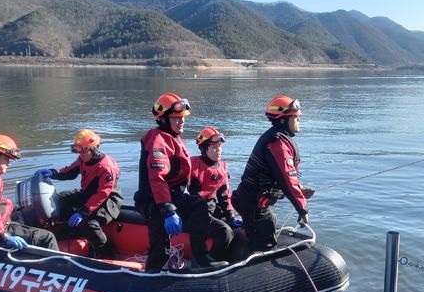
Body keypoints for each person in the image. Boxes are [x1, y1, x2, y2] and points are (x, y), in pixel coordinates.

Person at [134, 93, 229, 271]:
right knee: (160, 250)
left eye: (182, 118)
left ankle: (201, 258)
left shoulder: (174, 138)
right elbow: (158, 177)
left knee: (198, 205)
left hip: (170, 196)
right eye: (176, 118)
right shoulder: (157, 138)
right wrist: (168, 209)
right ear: (163, 119)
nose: (182, 122)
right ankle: (150, 280)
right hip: (155, 200)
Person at [232, 95, 314, 251]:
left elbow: (284, 176)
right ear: (283, 120)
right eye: (296, 117)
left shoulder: (281, 140)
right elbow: (286, 179)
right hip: (252, 203)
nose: (299, 120)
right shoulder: (277, 144)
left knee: (270, 220)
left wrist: (300, 190)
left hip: (254, 201)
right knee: (265, 242)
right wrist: (302, 209)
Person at [34, 129, 123, 258]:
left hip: (109, 200)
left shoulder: (106, 167)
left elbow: (103, 193)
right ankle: (69, 230)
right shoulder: (83, 158)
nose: (80, 154)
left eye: (83, 151)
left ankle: (106, 252)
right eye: (78, 150)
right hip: (89, 193)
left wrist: (83, 212)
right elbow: (70, 172)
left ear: (94, 149)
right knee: (59, 200)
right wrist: (53, 172)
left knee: (90, 223)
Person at [190, 127, 243, 259]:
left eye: (219, 146)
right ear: (204, 149)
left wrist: (231, 216)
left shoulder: (222, 167)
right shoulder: (193, 165)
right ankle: (210, 261)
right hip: (194, 211)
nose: (218, 150)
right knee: (224, 232)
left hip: (211, 208)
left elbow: (224, 196)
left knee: (240, 222)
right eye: (214, 147)